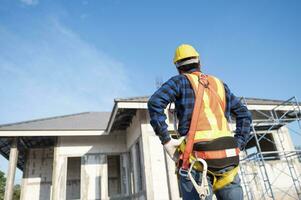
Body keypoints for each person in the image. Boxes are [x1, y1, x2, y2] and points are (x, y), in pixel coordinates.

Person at [147, 44, 252, 200]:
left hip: (196, 159)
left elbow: (155, 103)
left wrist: (166, 140)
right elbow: (244, 114)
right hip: (228, 159)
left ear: (177, 67)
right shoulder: (219, 84)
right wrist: (239, 144)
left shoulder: (179, 81)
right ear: (199, 62)